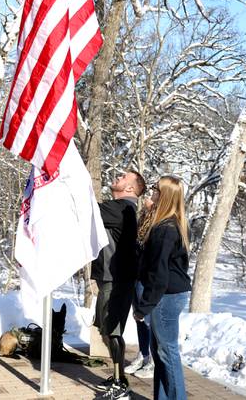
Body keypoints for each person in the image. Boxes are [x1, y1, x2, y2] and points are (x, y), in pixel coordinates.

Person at [133, 176, 192, 400]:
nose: (152, 192)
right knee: (162, 352)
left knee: (168, 353)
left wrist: (144, 306)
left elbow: (159, 273)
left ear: (165, 195)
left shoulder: (165, 229)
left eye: (156, 189)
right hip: (169, 294)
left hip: (166, 297)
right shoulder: (172, 223)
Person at [92, 170, 146, 400]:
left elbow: (86, 208)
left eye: (123, 177)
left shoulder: (121, 208)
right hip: (113, 280)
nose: (117, 177)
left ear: (131, 188)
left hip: (115, 282)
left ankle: (120, 383)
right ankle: (118, 377)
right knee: (107, 330)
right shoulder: (123, 208)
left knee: (112, 331)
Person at [125, 195, 155, 379]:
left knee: (148, 320)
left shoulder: (157, 223)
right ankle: (143, 354)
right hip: (136, 276)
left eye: (152, 196)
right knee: (138, 319)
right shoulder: (142, 219)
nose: (147, 198)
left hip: (146, 278)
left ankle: (152, 360)